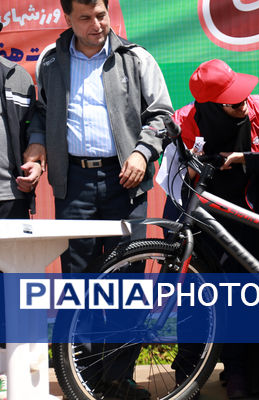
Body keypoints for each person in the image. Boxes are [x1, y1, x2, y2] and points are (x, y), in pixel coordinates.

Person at [24, 0, 173, 398]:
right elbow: (40, 114)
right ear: (68, 19)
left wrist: (143, 152)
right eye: (86, 18)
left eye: (102, 15)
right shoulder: (51, 63)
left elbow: (162, 115)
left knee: (128, 284)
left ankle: (119, 377)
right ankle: (84, 377)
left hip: (126, 182)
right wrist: (37, 150)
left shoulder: (136, 58)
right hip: (73, 182)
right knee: (80, 284)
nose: (97, 25)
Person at [157, 59, 259, 398]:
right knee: (194, 293)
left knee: (248, 291)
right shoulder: (184, 122)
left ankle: (241, 373)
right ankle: (187, 373)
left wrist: (245, 158)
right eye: (232, 99)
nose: (243, 101)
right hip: (201, 213)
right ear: (210, 107)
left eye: (242, 93)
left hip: (251, 213)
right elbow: (172, 177)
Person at [0, 21, 42, 400]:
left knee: (12, 292)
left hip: (10, 197)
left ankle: (8, 374)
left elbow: (34, 132)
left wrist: (36, 162)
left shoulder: (19, 78)